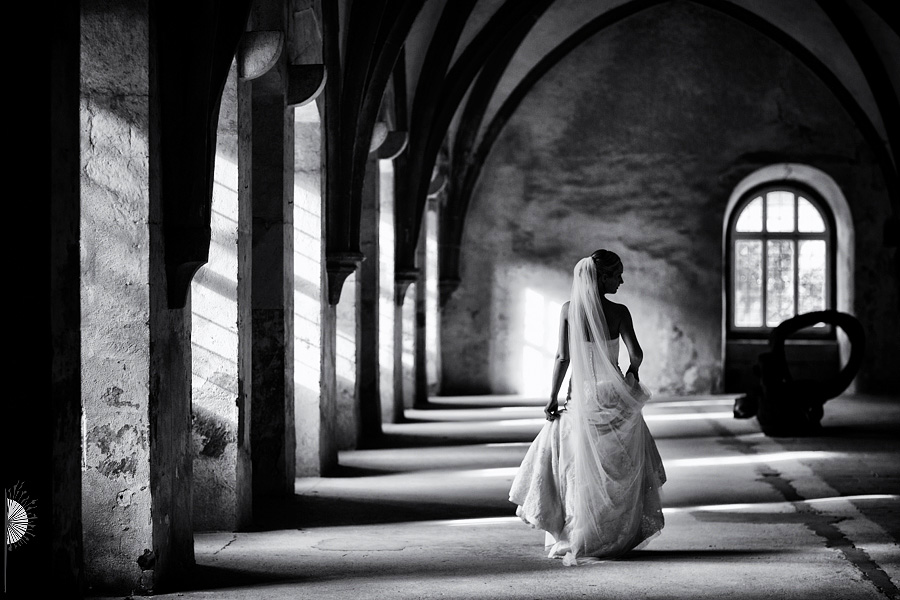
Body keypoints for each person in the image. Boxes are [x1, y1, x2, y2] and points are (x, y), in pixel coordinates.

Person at [508, 249, 666, 565]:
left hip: (581, 396)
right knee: (618, 465)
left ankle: (576, 531)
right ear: (602, 276)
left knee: (575, 465)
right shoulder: (620, 312)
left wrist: (552, 397)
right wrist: (631, 376)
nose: (621, 279)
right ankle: (610, 534)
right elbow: (636, 353)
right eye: (616, 274)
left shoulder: (569, 310)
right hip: (614, 394)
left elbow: (563, 358)